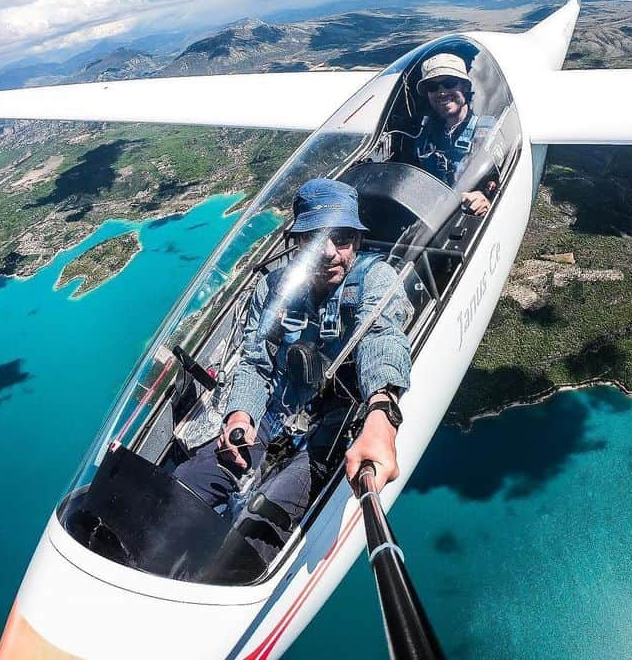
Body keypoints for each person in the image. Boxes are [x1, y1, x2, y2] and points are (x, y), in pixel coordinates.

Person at [171, 178, 412, 566]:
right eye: (317, 239)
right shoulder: (273, 289)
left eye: (343, 237)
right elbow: (255, 361)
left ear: (358, 241)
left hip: (329, 430)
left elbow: (381, 337)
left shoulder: (374, 278)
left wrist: (382, 415)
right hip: (274, 414)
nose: (331, 252)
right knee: (185, 485)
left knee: (261, 521)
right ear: (299, 243)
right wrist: (240, 415)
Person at [413, 52, 497, 216]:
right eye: (433, 87)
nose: (442, 92)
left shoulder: (489, 132)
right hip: (429, 221)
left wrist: (486, 197)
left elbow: (501, 178)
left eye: (449, 83)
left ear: (465, 86)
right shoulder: (420, 133)